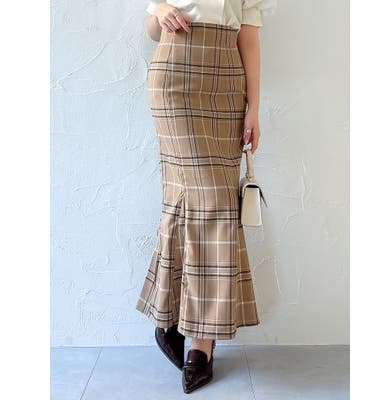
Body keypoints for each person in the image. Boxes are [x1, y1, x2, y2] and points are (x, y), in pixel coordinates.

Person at [135, 0, 277, 393]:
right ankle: (199, 338)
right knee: (197, 199)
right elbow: (151, 29)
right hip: (174, 73)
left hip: (226, 81)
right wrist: (159, 11)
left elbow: (248, 36)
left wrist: (254, 108)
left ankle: (171, 317)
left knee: (211, 202)